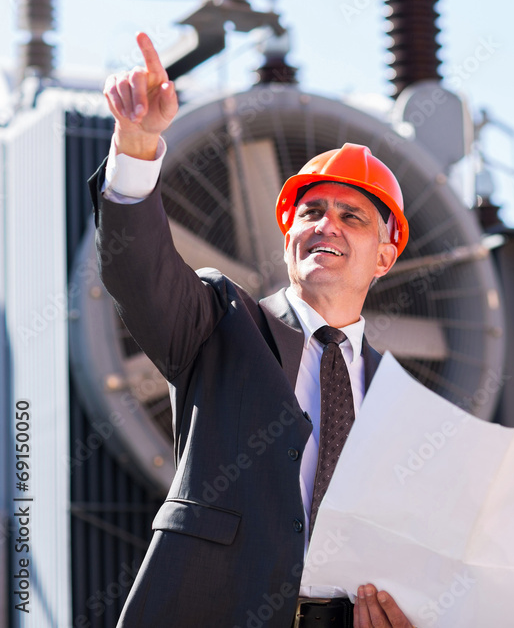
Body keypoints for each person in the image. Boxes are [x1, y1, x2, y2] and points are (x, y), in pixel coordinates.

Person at [93, 32, 415, 628]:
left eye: (352, 217)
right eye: (311, 213)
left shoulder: (403, 395)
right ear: (289, 236)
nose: (327, 227)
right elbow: (138, 270)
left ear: (386, 255)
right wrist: (137, 145)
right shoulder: (220, 321)